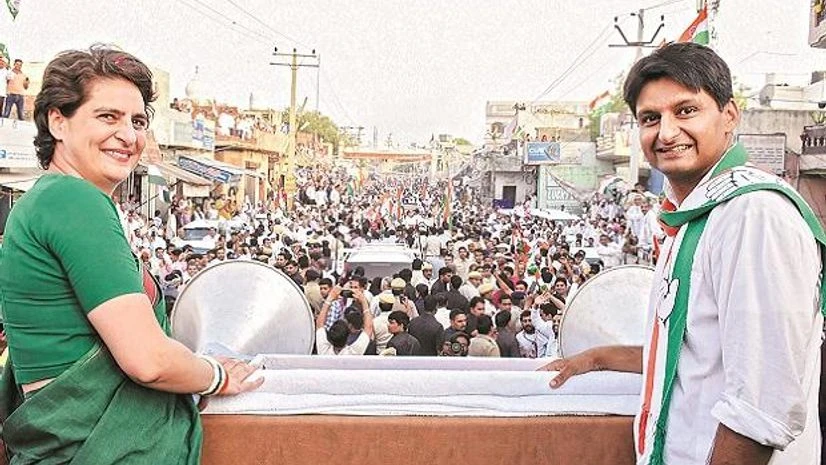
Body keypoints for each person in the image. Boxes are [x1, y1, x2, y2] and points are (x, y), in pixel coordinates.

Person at [541, 43, 824, 465]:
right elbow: (698, 355)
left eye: (686, 111)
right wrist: (599, 358)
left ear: (729, 116)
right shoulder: (698, 217)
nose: (667, 132)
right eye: (650, 119)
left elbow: (761, 409)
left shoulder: (752, 215)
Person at [0, 47, 262, 464]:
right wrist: (216, 375)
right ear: (57, 121)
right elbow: (148, 360)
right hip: (97, 448)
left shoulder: (44, 201)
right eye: (108, 117)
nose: (128, 135)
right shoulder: (73, 202)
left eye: (137, 121)